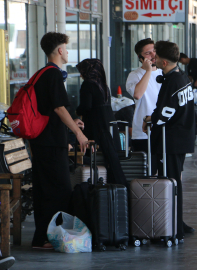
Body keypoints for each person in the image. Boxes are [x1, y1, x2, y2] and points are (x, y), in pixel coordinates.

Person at [30, 32, 89, 249]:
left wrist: (72, 123)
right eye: (66, 47)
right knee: (58, 190)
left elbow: (53, 108)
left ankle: (43, 237)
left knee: (49, 189)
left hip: (47, 141)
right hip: (49, 142)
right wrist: (78, 133)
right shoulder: (53, 74)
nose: (68, 51)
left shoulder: (45, 73)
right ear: (60, 50)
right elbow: (58, 107)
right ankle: (46, 237)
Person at [142, 41, 196, 241]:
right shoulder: (182, 77)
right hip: (182, 139)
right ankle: (176, 223)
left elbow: (166, 112)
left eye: (155, 57)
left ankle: (174, 229)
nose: (152, 60)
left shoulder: (172, 82)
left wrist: (152, 121)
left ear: (163, 62)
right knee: (174, 182)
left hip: (171, 141)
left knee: (171, 183)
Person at [75, 59, 126, 186]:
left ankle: (96, 186)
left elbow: (86, 106)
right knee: (111, 157)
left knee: (94, 155)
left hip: (96, 123)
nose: (81, 74)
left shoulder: (88, 84)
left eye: (82, 71)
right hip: (109, 120)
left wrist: (76, 111)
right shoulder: (103, 84)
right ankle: (118, 185)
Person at [126, 38, 161, 175]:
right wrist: (148, 72)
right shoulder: (134, 75)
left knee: (165, 171)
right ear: (140, 58)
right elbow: (138, 94)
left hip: (163, 130)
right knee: (147, 173)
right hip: (143, 133)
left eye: (154, 51)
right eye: (147, 53)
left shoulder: (165, 73)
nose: (152, 55)